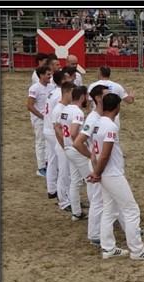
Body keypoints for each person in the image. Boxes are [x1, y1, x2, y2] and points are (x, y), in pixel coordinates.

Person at [88, 94, 144, 261]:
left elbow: (94, 151)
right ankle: (137, 250)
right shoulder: (111, 127)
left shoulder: (97, 123)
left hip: (103, 172)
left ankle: (108, 248)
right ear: (117, 107)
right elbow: (105, 154)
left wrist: (96, 171)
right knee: (131, 209)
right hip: (111, 173)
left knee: (109, 209)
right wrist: (97, 172)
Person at [72, 85, 108, 246]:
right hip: (97, 163)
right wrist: (91, 155)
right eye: (107, 95)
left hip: (102, 163)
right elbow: (78, 141)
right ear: (99, 98)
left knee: (106, 198)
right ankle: (94, 234)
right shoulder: (93, 118)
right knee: (97, 199)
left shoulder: (101, 117)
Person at [60, 85, 89, 220]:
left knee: (75, 181)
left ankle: (76, 212)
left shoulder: (65, 110)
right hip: (76, 150)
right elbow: (73, 133)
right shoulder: (78, 112)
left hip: (68, 149)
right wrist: (82, 148)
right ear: (82, 97)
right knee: (91, 180)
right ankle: (98, 212)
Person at [42, 70, 72, 201]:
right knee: (62, 164)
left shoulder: (53, 92)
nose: (70, 79)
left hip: (47, 128)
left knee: (52, 159)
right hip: (54, 130)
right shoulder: (61, 94)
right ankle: (63, 196)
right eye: (67, 78)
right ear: (62, 81)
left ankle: (51, 189)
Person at [27, 65, 55, 177]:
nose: (50, 76)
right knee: (40, 142)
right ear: (41, 75)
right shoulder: (34, 88)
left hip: (49, 119)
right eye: (48, 74)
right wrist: (41, 116)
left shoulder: (51, 87)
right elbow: (30, 105)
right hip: (39, 119)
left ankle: (47, 163)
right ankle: (41, 167)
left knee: (49, 141)